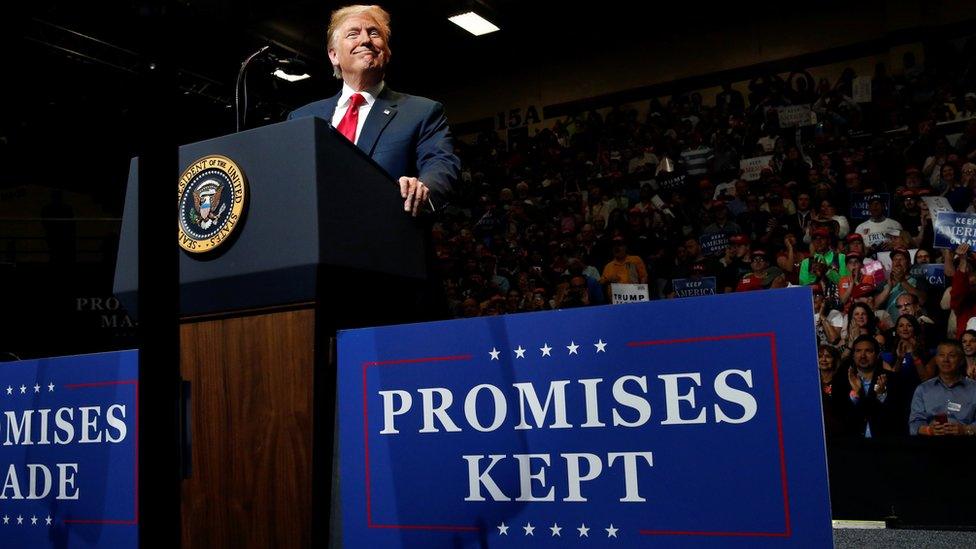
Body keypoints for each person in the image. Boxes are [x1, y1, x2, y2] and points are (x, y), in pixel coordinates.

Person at [288, 5, 460, 216]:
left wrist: (424, 187)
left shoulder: (422, 112)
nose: (365, 40)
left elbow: (440, 163)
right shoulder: (302, 118)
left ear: (386, 52)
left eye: (374, 33)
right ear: (334, 55)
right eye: (353, 34)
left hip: (385, 236)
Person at [909, 340, 976, 436]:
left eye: (951, 356)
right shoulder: (923, 389)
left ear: (961, 360)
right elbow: (914, 424)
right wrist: (929, 430)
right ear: (936, 359)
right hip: (929, 446)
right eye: (941, 355)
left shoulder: (973, 389)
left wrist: (965, 430)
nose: (946, 360)